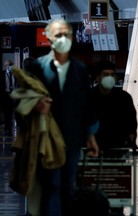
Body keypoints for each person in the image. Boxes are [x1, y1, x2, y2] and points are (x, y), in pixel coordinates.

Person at [23, 19, 99, 216]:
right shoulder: (37, 69)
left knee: (67, 186)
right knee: (51, 184)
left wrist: (90, 136)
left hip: (72, 138)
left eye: (66, 35)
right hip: (44, 137)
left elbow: (87, 105)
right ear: (48, 38)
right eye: (58, 35)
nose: (63, 39)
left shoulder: (80, 69)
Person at [90, 60, 137, 158]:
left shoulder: (124, 97)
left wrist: (131, 138)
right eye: (106, 74)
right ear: (98, 77)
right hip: (93, 145)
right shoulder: (88, 97)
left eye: (112, 74)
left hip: (118, 146)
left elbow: (131, 120)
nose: (109, 77)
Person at [0, 59, 16, 135]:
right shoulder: (2, 74)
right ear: (5, 66)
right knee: (7, 113)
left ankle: (11, 126)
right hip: (5, 95)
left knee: (13, 112)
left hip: (14, 95)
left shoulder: (15, 74)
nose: (11, 66)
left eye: (11, 65)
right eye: (9, 65)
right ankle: (7, 128)